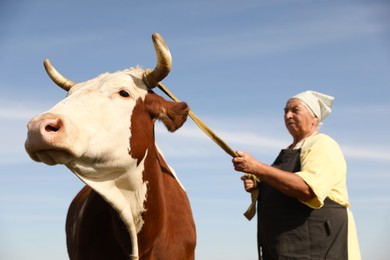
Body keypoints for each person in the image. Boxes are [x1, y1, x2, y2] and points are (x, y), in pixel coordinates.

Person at [232, 90, 361, 260]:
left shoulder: (323, 144)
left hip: (315, 250)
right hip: (282, 250)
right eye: (285, 111)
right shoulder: (290, 151)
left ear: (315, 118)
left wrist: (258, 169)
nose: (288, 115)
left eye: (295, 110)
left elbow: (307, 188)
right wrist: (260, 185)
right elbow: (284, 185)